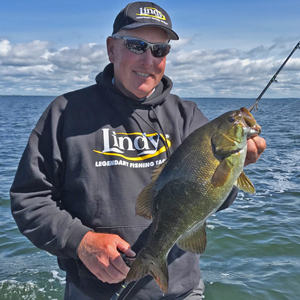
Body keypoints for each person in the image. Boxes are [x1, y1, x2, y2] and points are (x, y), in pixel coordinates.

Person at [10, 2, 266, 300]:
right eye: (136, 45)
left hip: (180, 291)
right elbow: (29, 200)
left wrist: (237, 167)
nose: (148, 59)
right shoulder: (66, 113)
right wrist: (81, 242)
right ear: (111, 48)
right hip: (94, 292)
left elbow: (210, 199)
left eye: (160, 50)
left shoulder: (189, 117)